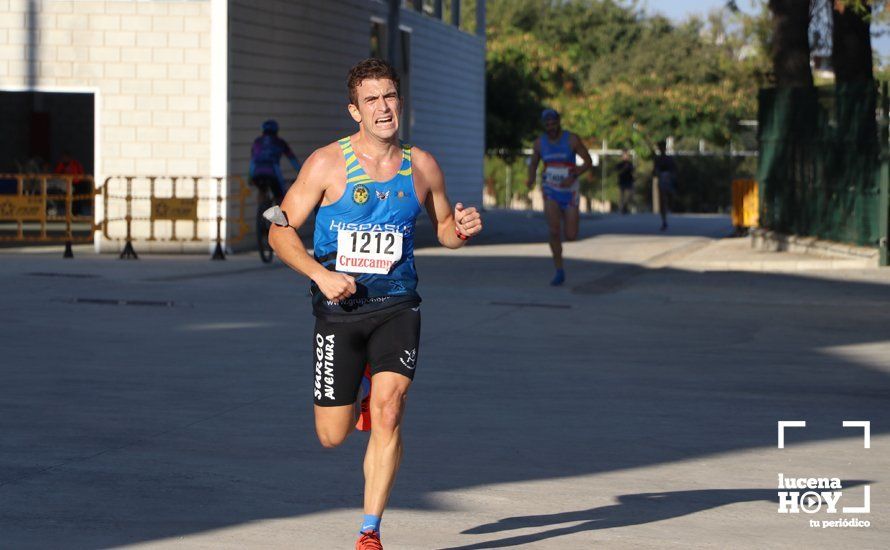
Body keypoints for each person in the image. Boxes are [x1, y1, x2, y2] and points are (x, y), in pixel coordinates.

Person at [267, 58, 482, 550]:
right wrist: (320, 275)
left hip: (397, 305)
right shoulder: (326, 163)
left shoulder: (421, 165)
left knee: (390, 411)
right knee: (332, 435)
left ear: (399, 102)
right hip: (339, 312)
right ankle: (358, 392)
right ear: (354, 111)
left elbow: (446, 232)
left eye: (390, 96)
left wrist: (461, 231)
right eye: (372, 100)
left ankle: (370, 531)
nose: (384, 108)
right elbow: (279, 230)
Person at [525, 108, 592, 286]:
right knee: (554, 231)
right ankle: (559, 269)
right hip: (551, 189)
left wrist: (574, 174)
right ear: (544, 126)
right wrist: (531, 178)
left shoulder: (571, 139)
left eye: (553, 123)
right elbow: (533, 163)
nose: (551, 127)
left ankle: (568, 216)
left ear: (559, 122)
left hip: (570, 190)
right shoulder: (540, 143)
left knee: (571, 235)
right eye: (547, 125)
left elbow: (588, 161)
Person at [249, 119, 302, 203]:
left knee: (262, 191)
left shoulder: (257, 142)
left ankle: (260, 211)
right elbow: (292, 159)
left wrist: (250, 178)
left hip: (257, 172)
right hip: (273, 172)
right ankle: (279, 212)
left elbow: (252, 161)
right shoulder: (280, 142)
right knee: (280, 196)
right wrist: (301, 173)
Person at [652, 141, 678, 231]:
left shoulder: (669, 159)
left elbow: (675, 170)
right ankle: (664, 220)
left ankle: (670, 207)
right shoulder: (657, 159)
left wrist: (671, 176)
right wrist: (658, 173)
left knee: (670, 195)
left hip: (669, 180)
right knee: (662, 200)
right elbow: (654, 172)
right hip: (662, 180)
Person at [615, 150, 635, 215]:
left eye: (627, 156)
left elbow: (633, 171)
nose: (626, 157)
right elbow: (617, 171)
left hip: (629, 180)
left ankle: (625, 206)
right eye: (624, 155)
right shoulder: (620, 164)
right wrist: (624, 169)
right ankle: (622, 208)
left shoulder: (630, 164)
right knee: (622, 196)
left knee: (630, 195)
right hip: (622, 181)